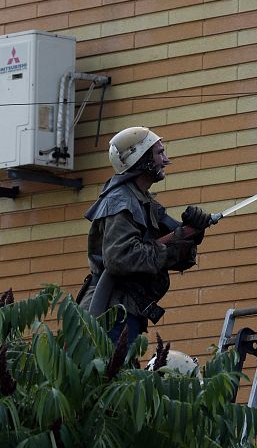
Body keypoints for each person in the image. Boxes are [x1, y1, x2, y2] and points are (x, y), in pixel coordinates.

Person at [78, 126, 211, 345]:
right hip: (109, 314)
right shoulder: (121, 201)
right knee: (109, 368)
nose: (165, 160)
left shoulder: (143, 202)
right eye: (159, 153)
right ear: (140, 157)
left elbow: (171, 253)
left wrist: (193, 232)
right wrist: (172, 247)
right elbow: (120, 257)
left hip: (125, 312)